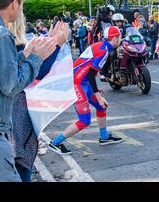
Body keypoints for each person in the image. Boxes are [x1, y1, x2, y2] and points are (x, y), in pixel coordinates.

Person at [0, 0, 57, 182]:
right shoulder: (3, 35)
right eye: (21, 3)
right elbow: (10, 85)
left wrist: (23, 55)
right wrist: (35, 58)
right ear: (15, 3)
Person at [49, 26, 124, 155]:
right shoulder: (105, 50)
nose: (120, 39)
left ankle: (104, 137)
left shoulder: (101, 46)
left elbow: (88, 69)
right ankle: (55, 142)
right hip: (76, 83)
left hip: (81, 81)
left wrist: (94, 89)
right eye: (119, 37)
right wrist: (98, 95)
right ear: (115, 38)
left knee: (102, 107)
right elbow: (90, 74)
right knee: (84, 120)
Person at [10, 19, 69, 182]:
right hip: (14, 115)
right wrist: (56, 44)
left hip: (12, 115)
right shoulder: (8, 39)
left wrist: (51, 42)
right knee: (20, 165)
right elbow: (38, 71)